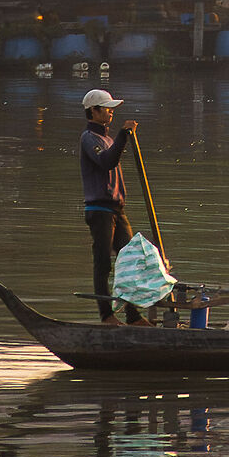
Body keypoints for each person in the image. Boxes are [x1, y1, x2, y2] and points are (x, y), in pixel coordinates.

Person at [79, 88, 140, 324]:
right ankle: (107, 316)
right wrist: (124, 135)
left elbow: (112, 155)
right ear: (94, 111)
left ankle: (133, 317)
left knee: (131, 260)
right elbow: (106, 161)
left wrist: (122, 137)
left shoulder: (108, 139)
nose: (111, 112)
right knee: (103, 262)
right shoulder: (89, 139)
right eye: (107, 108)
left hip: (117, 210)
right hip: (99, 210)